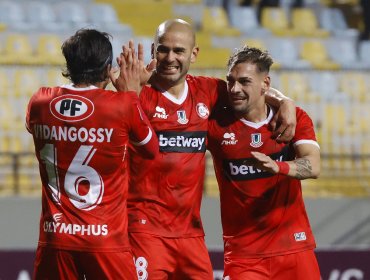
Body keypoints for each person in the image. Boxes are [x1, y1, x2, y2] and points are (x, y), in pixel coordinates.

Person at [115, 19, 297, 279]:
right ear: (153, 51)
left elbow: (249, 90)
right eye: (163, 50)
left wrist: (284, 101)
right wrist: (126, 96)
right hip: (145, 230)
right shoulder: (137, 93)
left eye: (179, 51)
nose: (170, 58)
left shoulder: (208, 91)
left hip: (191, 234)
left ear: (194, 54)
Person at [26, 28, 158, 279]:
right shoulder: (121, 104)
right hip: (105, 240)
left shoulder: (40, 101)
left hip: (55, 238)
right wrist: (132, 94)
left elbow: (34, 126)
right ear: (108, 68)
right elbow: (150, 150)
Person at [207, 46, 321, 279]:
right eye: (230, 81)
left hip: (293, 247)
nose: (235, 89)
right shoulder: (216, 125)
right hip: (244, 256)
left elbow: (313, 165)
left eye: (244, 81)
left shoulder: (294, 118)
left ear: (265, 83)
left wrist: (277, 166)